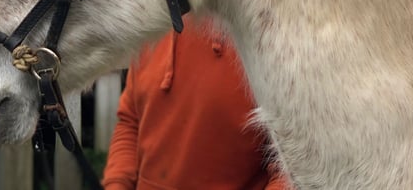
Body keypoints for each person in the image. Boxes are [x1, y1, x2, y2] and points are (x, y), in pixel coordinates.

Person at [102, 16, 288, 190]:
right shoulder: (154, 26)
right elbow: (130, 121)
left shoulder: (269, 39)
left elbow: (290, 168)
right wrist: (116, 184)